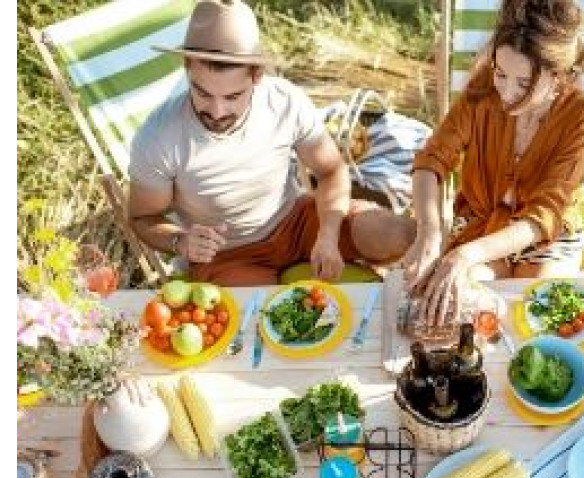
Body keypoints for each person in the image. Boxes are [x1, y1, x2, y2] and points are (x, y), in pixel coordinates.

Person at [128, 0, 414, 286]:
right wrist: (180, 241)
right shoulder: (159, 136)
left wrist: (327, 235)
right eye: (202, 93)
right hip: (227, 255)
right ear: (187, 68)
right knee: (259, 324)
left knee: (395, 233)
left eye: (232, 97)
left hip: (296, 221)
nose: (216, 112)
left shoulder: (283, 101)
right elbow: (143, 217)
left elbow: (330, 171)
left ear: (257, 76)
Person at [402, 0, 584, 325]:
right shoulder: (482, 90)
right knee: (458, 307)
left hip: (543, 235)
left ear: (559, 77)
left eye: (524, 83)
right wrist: (430, 233)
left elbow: (545, 213)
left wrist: (464, 255)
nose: (506, 92)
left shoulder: (580, 113)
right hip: (480, 224)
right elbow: (431, 161)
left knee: (535, 312)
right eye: (501, 73)